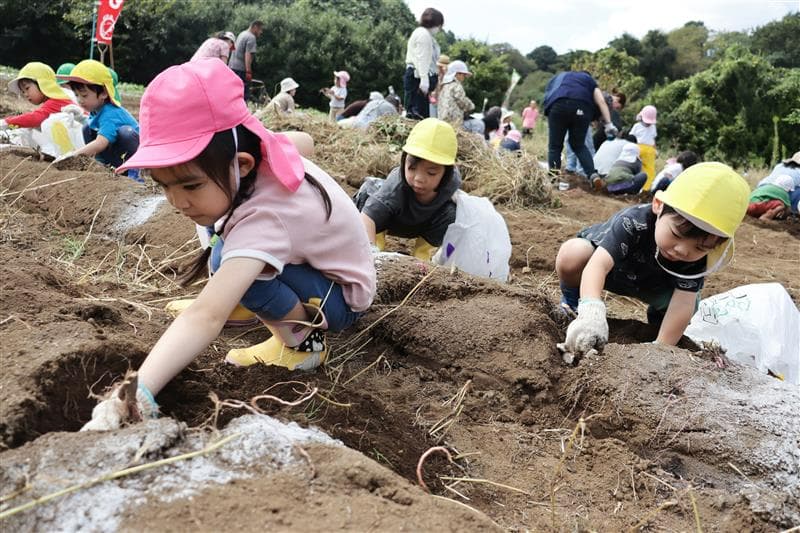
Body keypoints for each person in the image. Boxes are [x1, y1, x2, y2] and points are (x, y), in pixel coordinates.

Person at [80, 59, 376, 431]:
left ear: (243, 163)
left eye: (190, 185)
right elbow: (305, 141)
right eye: (163, 184)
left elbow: (205, 317)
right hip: (316, 269)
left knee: (243, 269)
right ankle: (249, 300)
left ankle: (302, 345)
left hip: (338, 298)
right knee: (226, 252)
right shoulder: (257, 150)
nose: (177, 201)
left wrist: (137, 392)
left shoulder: (265, 219)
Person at [555, 162, 750, 359]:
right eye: (676, 234)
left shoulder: (699, 259)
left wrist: (660, 350)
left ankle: (655, 326)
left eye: (700, 247)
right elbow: (598, 265)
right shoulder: (633, 222)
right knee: (573, 252)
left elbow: (682, 304)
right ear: (658, 206)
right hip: (614, 272)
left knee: (690, 306)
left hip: (657, 288)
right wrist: (591, 311)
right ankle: (572, 305)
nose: (682, 250)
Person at [354, 118, 461, 261]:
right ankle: (377, 247)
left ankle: (422, 257)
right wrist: (371, 253)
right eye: (412, 168)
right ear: (404, 161)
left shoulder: (451, 184)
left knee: (451, 213)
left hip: (420, 225)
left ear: (446, 173)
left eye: (431, 173)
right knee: (367, 197)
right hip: (387, 218)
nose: (419, 178)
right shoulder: (395, 186)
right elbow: (368, 218)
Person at [57, 59, 140, 177]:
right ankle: (100, 167)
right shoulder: (96, 110)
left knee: (126, 133)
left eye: (84, 95)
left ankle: (136, 172)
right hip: (118, 154)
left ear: (103, 93)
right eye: (76, 95)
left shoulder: (110, 113)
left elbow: (100, 143)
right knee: (87, 128)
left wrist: (73, 156)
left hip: (136, 155)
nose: (80, 100)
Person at [542, 71, 617, 188]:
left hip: (558, 105)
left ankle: (553, 179)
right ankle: (593, 175)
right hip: (582, 108)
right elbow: (601, 101)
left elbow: (548, 94)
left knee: (555, 146)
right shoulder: (589, 80)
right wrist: (609, 124)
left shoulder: (560, 76)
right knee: (579, 145)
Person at [0, 62, 74, 131]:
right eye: (23, 91)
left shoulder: (57, 100)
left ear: (42, 84)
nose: (25, 94)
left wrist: (6, 122)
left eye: (27, 88)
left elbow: (35, 118)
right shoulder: (60, 98)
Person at [403, 7, 444, 119]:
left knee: (419, 115)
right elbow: (422, 58)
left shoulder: (423, 34)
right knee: (417, 116)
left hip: (418, 77)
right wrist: (424, 79)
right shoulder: (423, 35)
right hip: (418, 78)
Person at [229, 20, 265, 101]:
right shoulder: (251, 37)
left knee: (233, 93)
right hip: (241, 70)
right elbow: (248, 55)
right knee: (243, 95)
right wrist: (248, 71)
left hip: (232, 67)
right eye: (260, 29)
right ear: (255, 27)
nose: (261, 32)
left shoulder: (242, 34)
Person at [437, 60, 474, 129]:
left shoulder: (444, 85)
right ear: (457, 74)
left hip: (442, 118)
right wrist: (471, 105)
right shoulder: (456, 86)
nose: (464, 77)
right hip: (453, 120)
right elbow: (462, 100)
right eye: (463, 75)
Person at [630, 105, 658, 190]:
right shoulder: (637, 126)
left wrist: (655, 150)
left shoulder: (637, 126)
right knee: (645, 169)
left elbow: (653, 139)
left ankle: (645, 189)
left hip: (647, 149)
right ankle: (642, 188)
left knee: (648, 170)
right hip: (641, 148)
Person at [429, 54, 450, 118]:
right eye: (439, 67)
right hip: (434, 103)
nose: (441, 69)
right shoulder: (434, 77)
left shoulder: (448, 79)